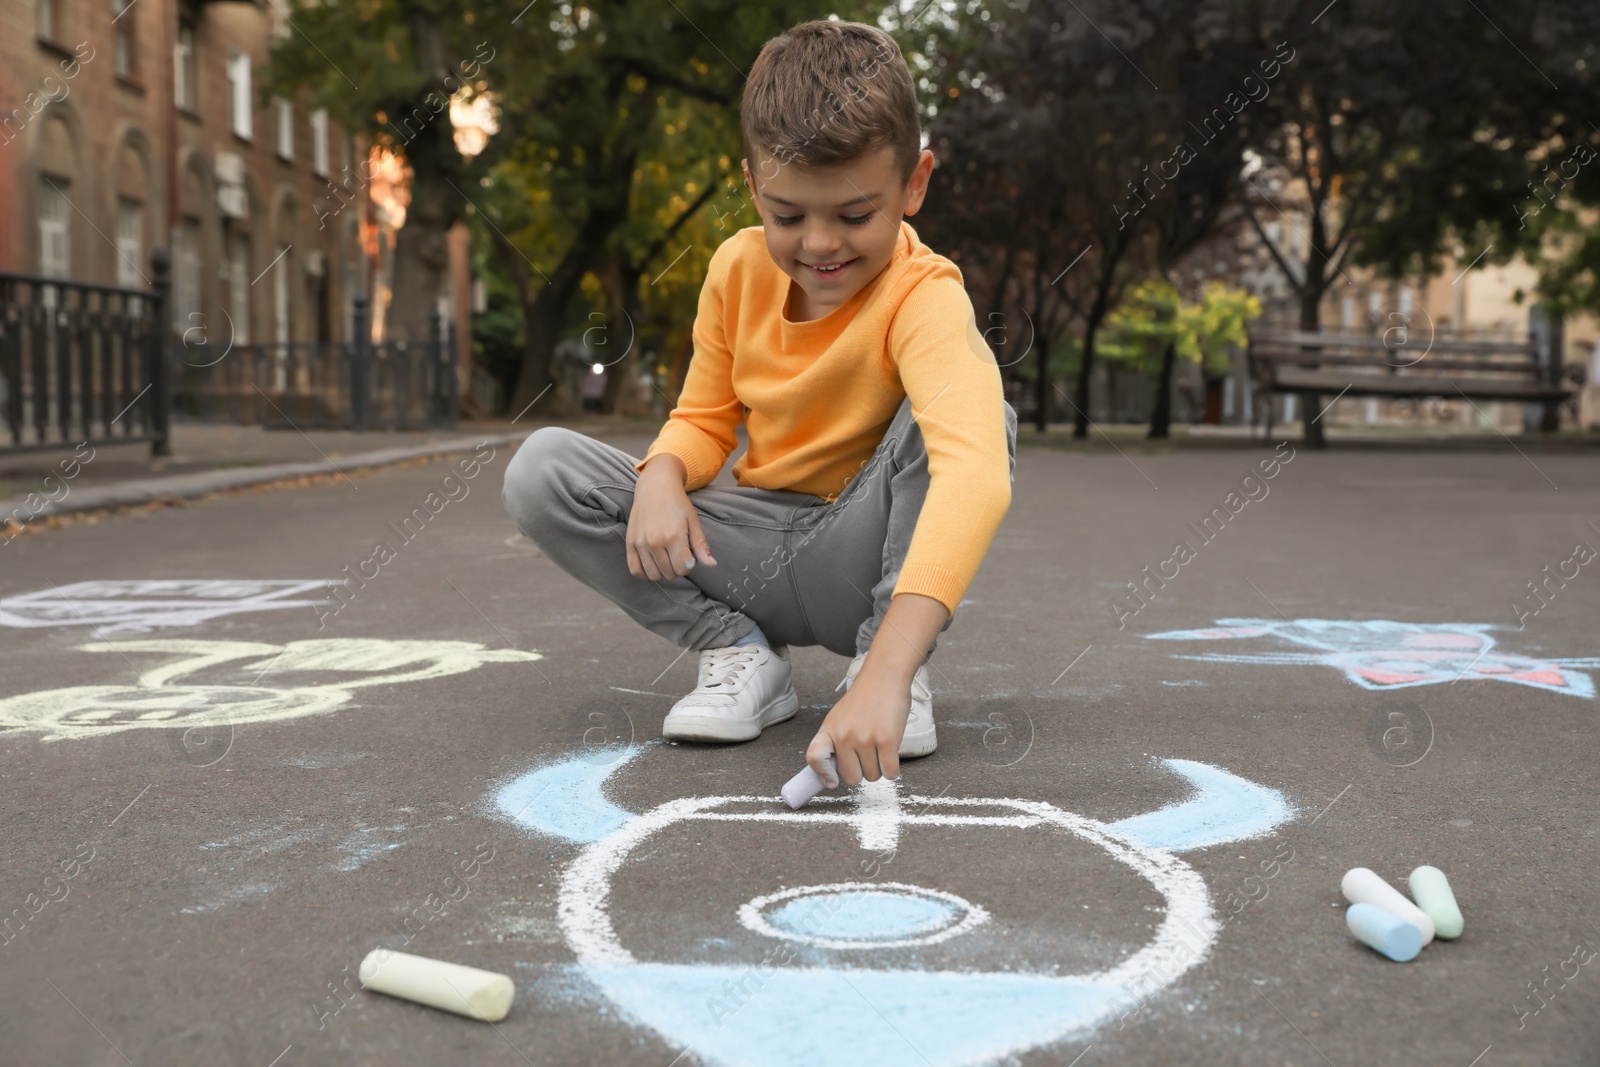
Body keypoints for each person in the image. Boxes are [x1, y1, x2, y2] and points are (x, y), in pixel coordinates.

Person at [501, 19, 1017, 790]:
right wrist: (665, 471)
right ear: (751, 185)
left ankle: (888, 674)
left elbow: (976, 472)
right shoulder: (735, 269)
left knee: (979, 417)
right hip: (749, 548)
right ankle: (740, 651)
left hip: (862, 552)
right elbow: (706, 416)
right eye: (787, 215)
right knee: (542, 468)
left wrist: (885, 671)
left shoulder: (925, 293)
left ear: (915, 183)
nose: (819, 244)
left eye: (853, 215)